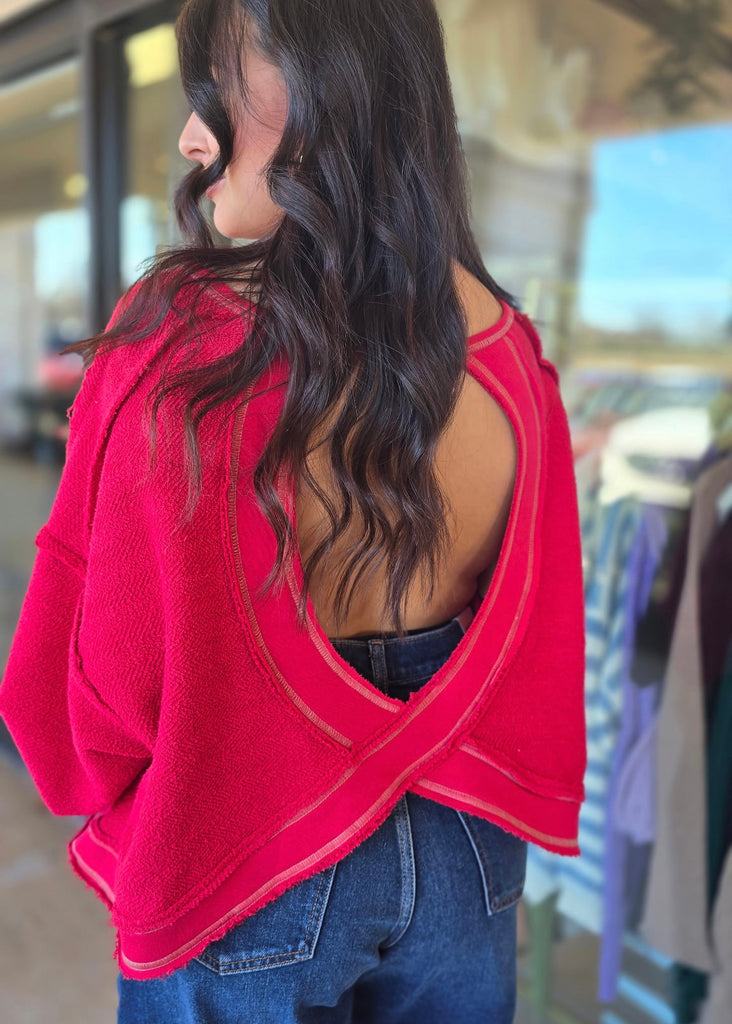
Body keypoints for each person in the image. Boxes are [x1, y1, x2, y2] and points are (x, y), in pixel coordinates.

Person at [0, 1, 587, 1021]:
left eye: (216, 92)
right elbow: (541, 643)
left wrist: (103, 783)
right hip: (469, 845)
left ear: (329, 88)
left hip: (244, 844)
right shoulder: (514, 360)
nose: (194, 139)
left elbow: (98, 688)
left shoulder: (173, 348)